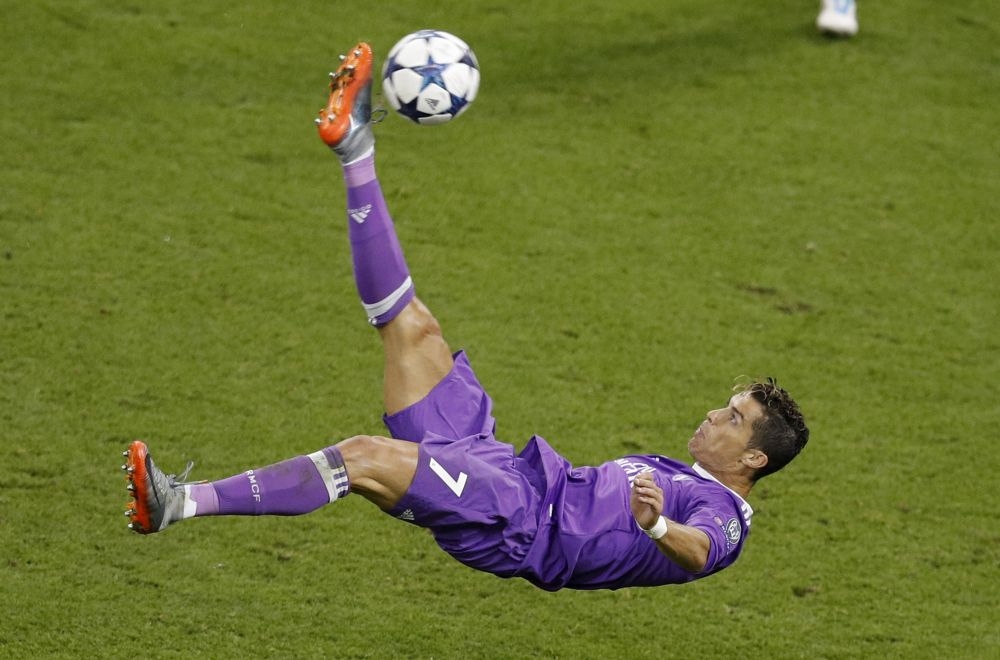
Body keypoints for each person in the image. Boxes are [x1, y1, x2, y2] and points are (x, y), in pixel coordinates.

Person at [122, 42, 809, 591]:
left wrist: (657, 528)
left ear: (753, 459)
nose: (714, 415)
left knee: (363, 457)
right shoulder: (683, 472)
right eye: (726, 406)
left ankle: (179, 502)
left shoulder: (723, 515)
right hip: (503, 466)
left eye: (732, 419)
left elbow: (700, 551)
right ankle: (356, 149)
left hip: (516, 519)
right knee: (412, 327)